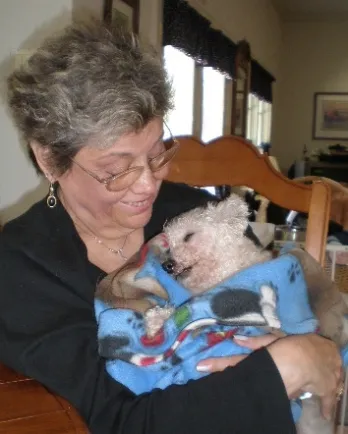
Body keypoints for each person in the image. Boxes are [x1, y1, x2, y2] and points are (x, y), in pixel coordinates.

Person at [0, 19, 342, 434]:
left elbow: (286, 312)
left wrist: (308, 350)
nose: (148, 185)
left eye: (157, 152)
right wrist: (286, 366)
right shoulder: (21, 269)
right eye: (117, 169)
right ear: (50, 160)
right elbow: (116, 421)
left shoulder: (196, 213)